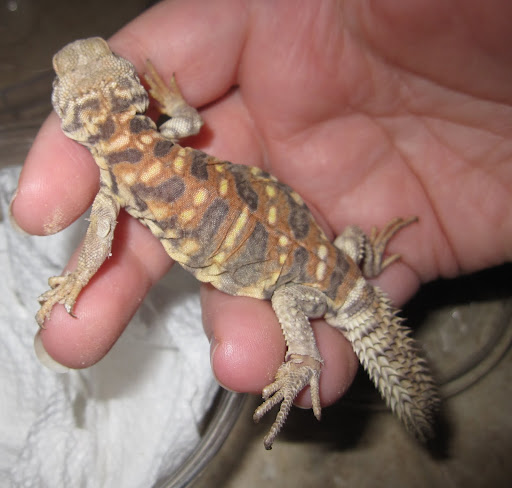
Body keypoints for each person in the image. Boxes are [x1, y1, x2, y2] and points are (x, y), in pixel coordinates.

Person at [10, 0, 512, 411]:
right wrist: (174, 102)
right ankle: (367, 259)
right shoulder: (158, 144)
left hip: (312, 282)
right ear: (129, 90)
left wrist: (74, 282)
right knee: (332, 259)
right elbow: (187, 123)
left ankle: (307, 359)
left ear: (73, 116)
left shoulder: (116, 184)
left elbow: (98, 244)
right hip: (334, 255)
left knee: (289, 299)